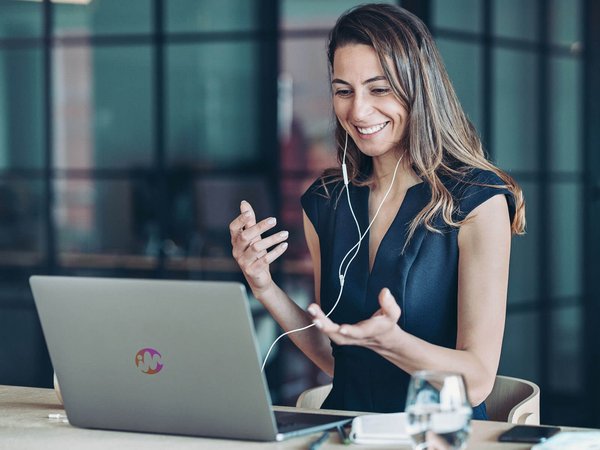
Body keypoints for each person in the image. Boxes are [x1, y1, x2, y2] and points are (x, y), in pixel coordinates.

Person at [229, 3, 525, 420]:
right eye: (343, 91)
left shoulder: (476, 201)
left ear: (417, 87)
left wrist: (393, 343)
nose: (359, 111)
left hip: (436, 439)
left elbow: (477, 381)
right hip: (345, 433)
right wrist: (263, 287)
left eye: (379, 88)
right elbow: (339, 356)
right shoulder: (327, 200)